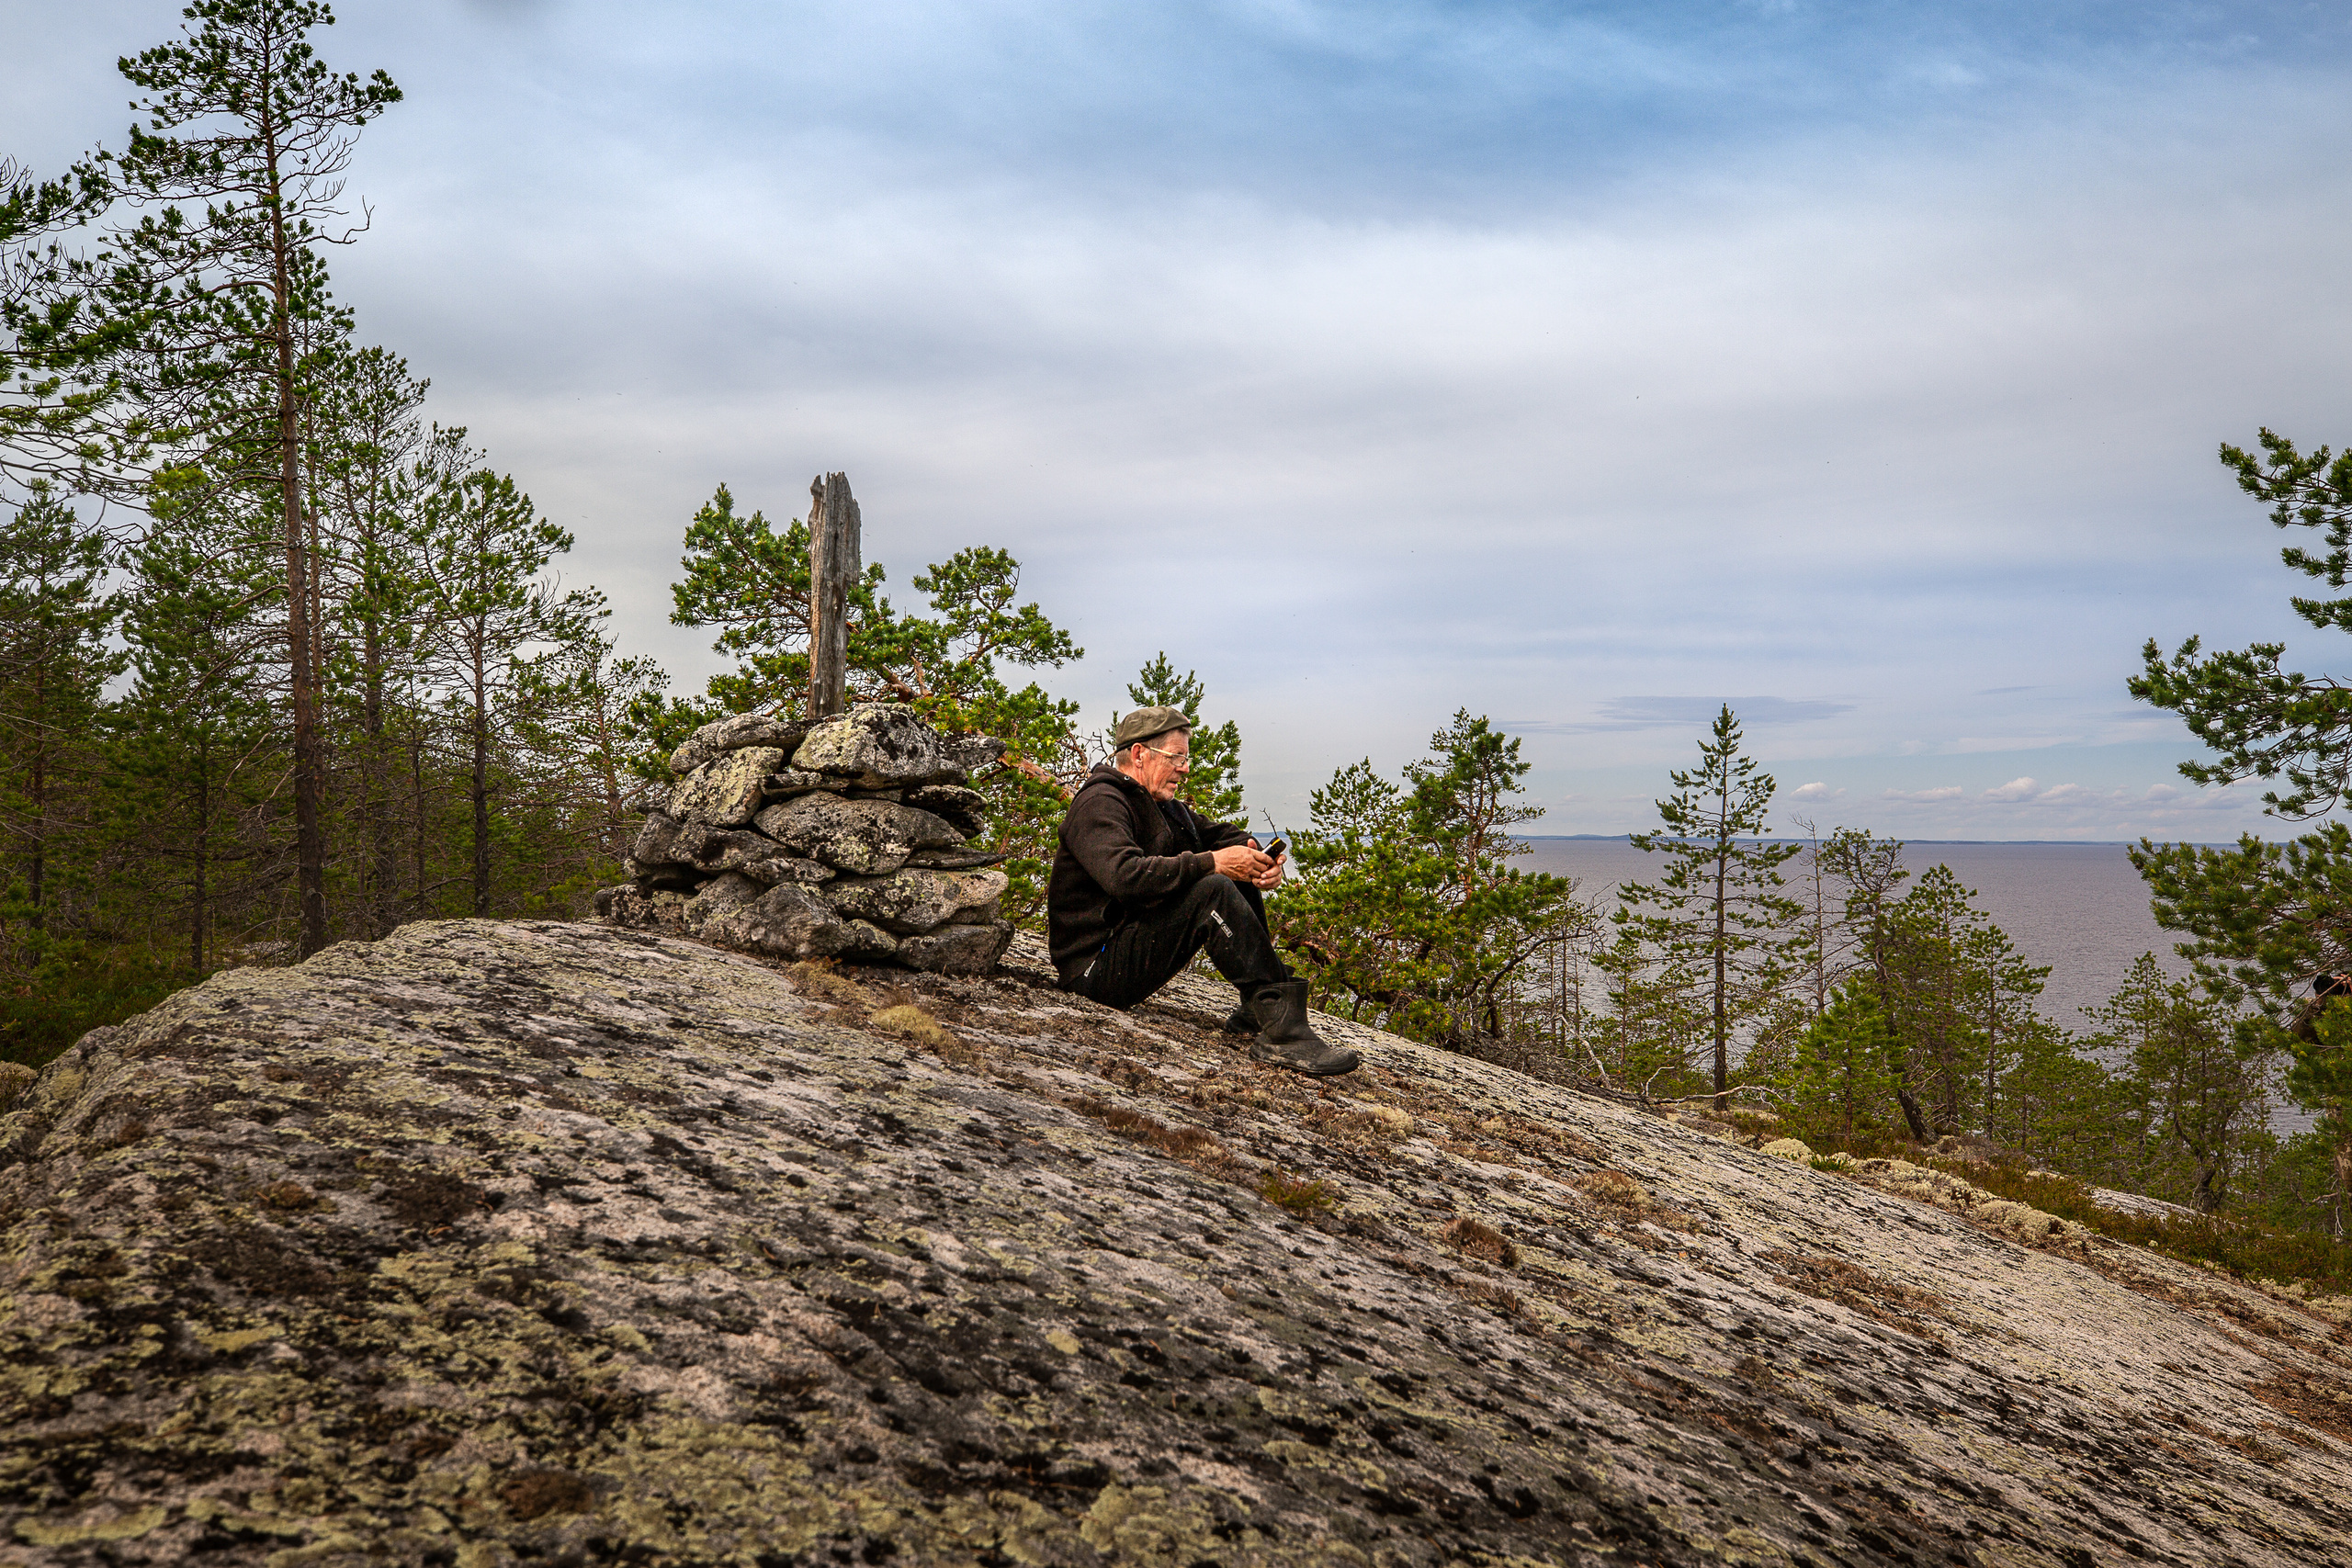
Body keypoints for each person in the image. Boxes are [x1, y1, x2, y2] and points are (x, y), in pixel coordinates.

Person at [1047, 705, 1359, 1077]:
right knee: (1213, 886)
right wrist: (1215, 862)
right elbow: (1124, 877)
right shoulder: (1100, 802)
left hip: (1124, 945)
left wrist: (1257, 857)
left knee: (1232, 869)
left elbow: (1218, 837)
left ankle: (1258, 1007)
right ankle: (1284, 1032)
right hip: (1092, 971)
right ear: (1139, 754)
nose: (1185, 768)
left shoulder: (1162, 807)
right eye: (1176, 757)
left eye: (1186, 758)